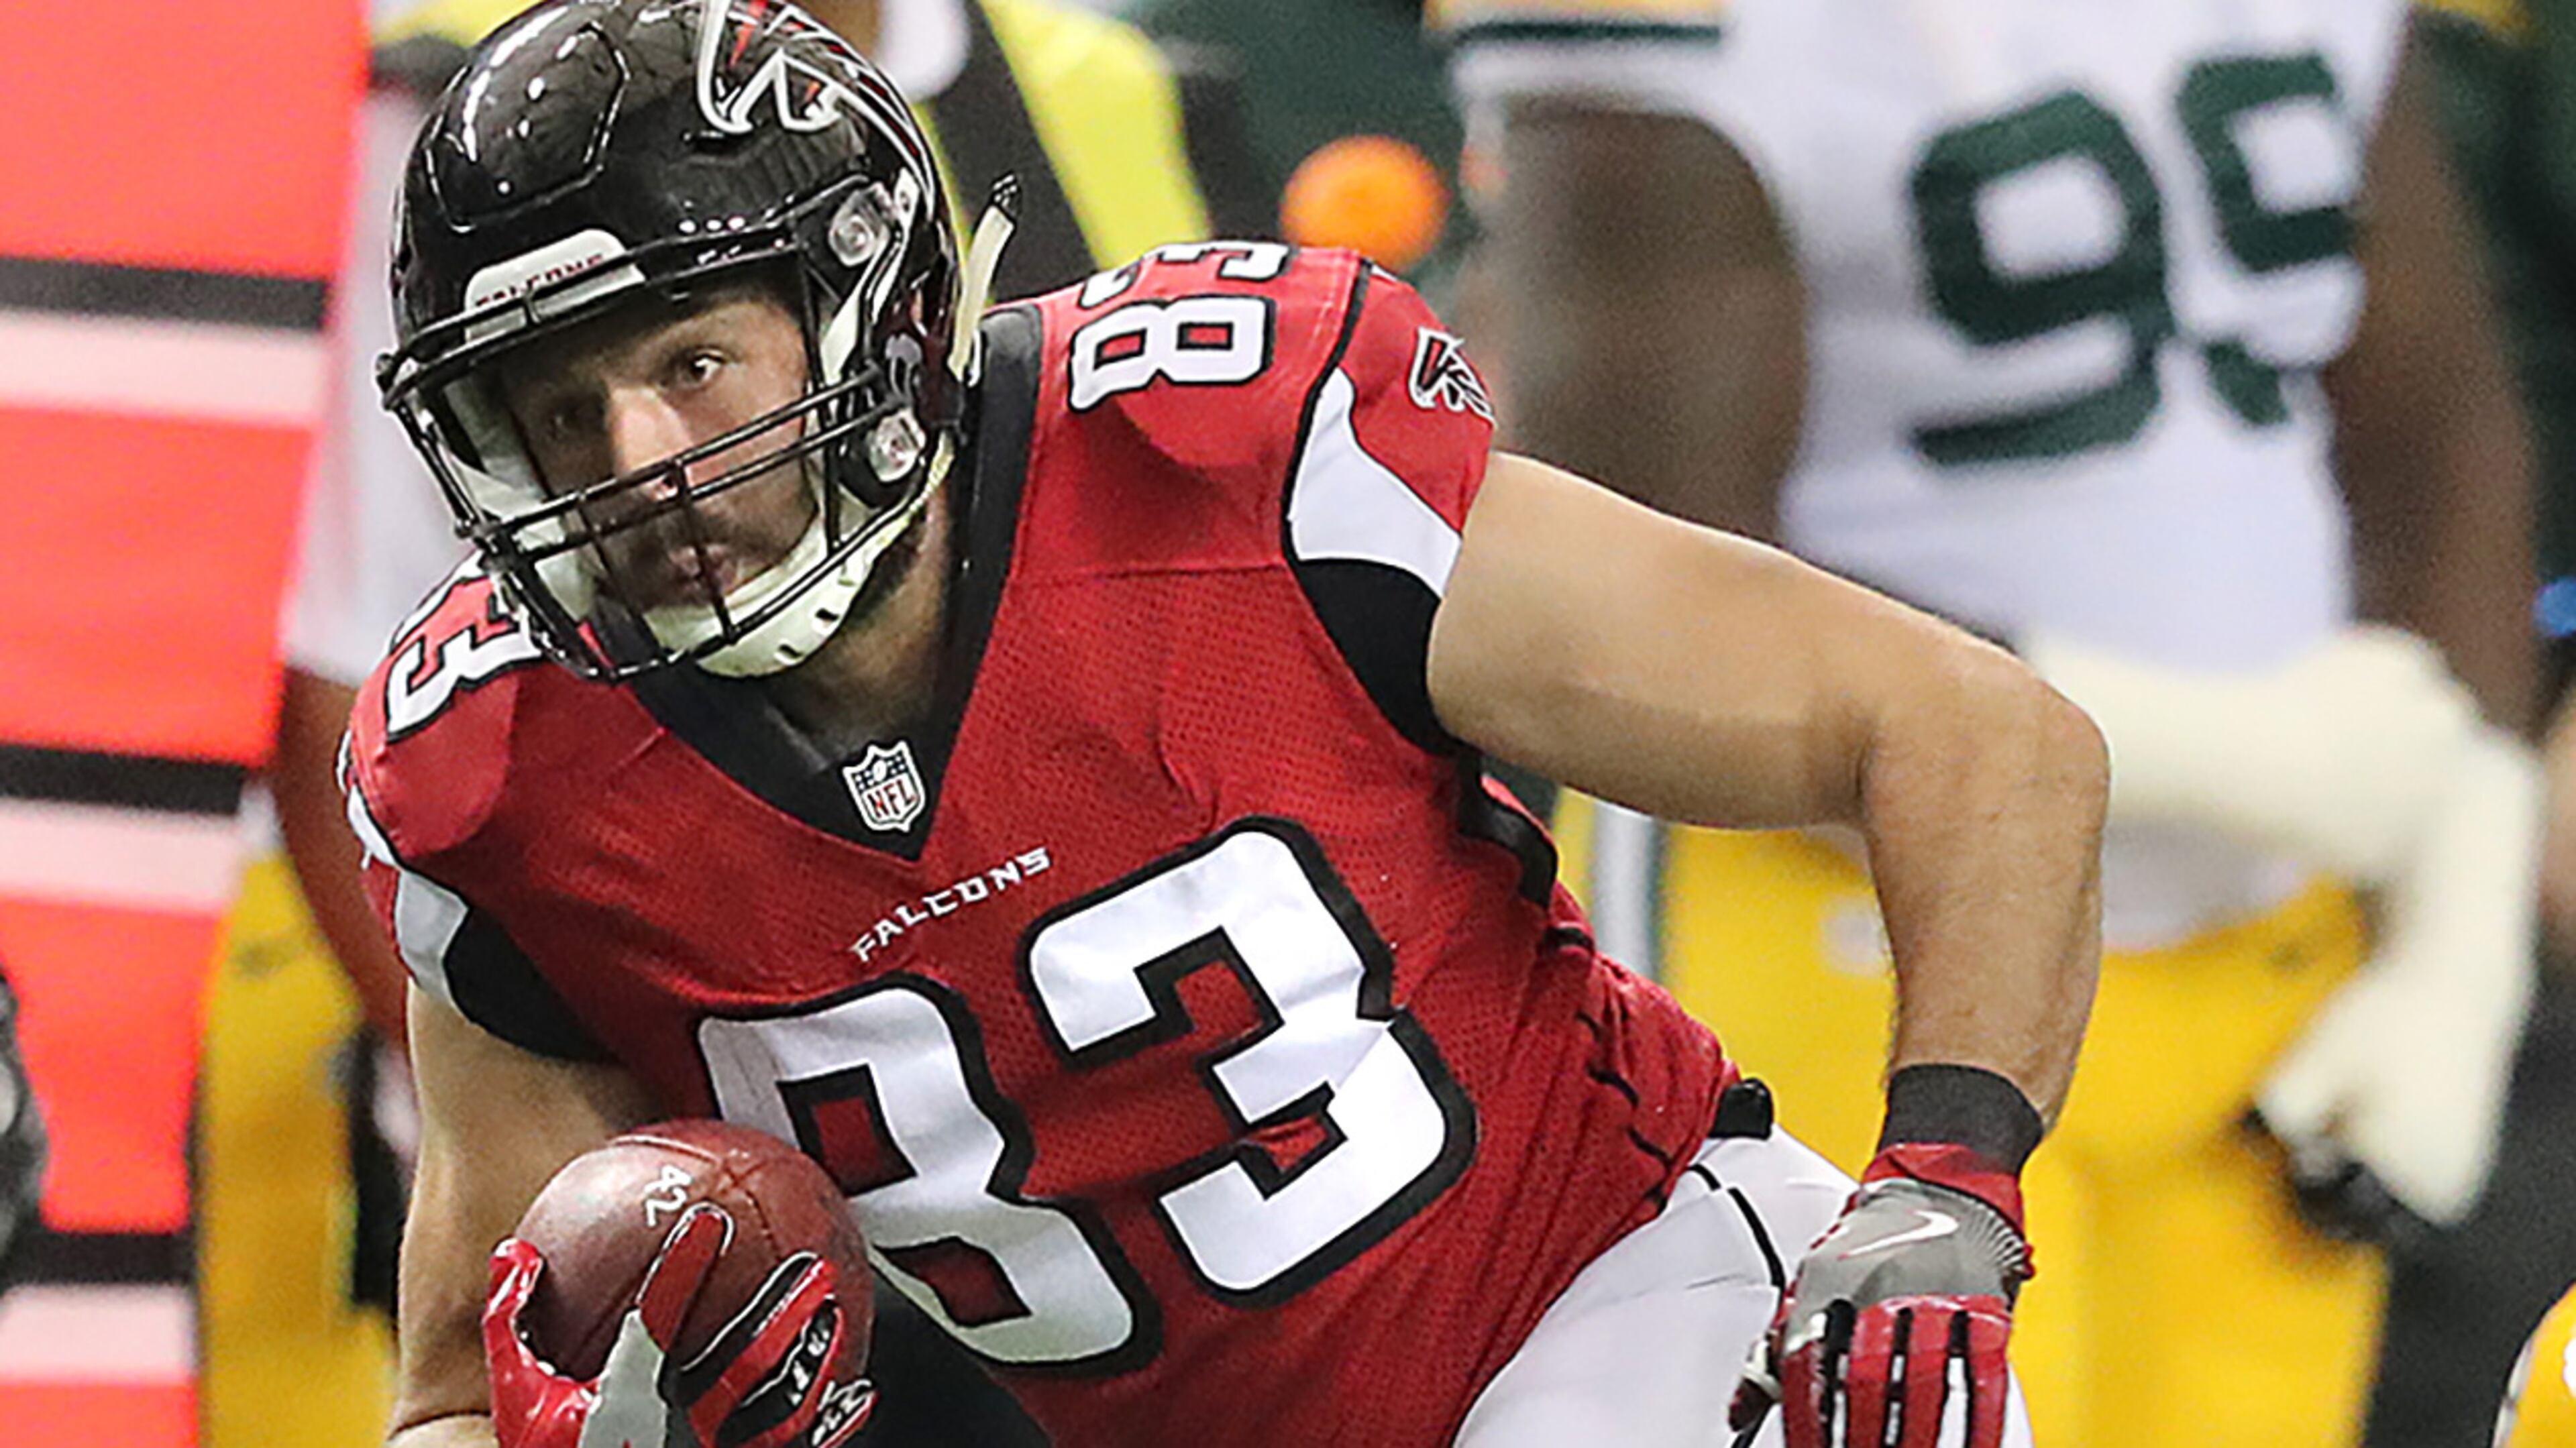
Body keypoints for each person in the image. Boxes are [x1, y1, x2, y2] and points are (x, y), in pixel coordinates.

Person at [349, 1, 2106, 1444]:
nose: (644, 470)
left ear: (860, 309)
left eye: (691, 365)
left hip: (1647, 1316)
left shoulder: (1221, 464)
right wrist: (598, 1432)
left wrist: (1943, 1185)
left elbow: (1971, 732)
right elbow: (443, 1397)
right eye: (564, 413)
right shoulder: (510, 784)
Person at [1438, 0, 2540, 1444]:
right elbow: (1647, 556)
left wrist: (2464, 926)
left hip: (2268, 969)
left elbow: (2437, 433)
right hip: (1866, 936)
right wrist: (2241, 753)